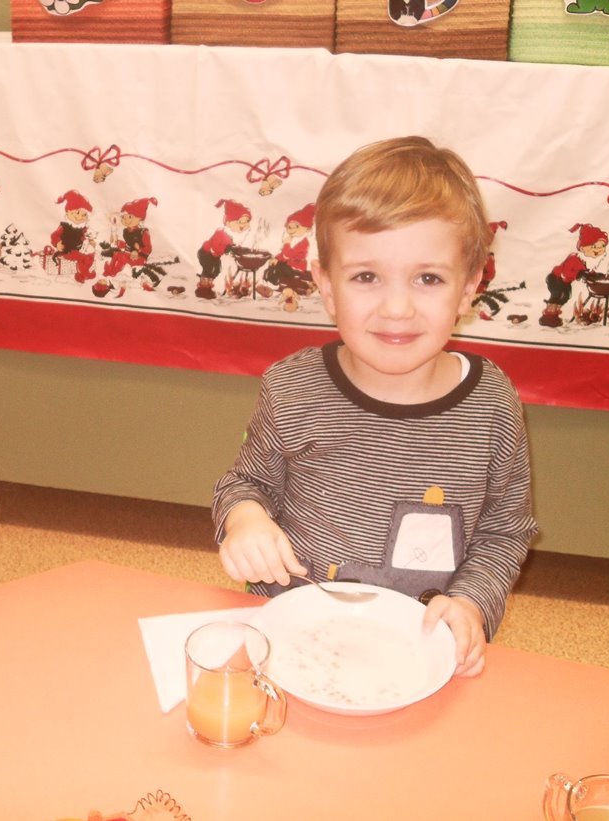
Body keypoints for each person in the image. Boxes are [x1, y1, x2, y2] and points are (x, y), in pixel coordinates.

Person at [212, 136, 537, 678]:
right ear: (326, 285)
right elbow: (245, 484)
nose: (397, 308)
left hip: (419, 648)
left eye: (428, 278)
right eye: (366, 277)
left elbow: (505, 531)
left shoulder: (492, 404)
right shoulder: (291, 387)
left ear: (468, 289)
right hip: (291, 630)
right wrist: (245, 521)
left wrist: (472, 603)